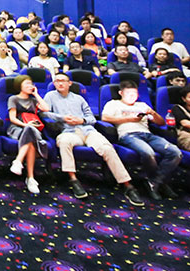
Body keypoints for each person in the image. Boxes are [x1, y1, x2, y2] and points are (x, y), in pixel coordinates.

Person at [43, 72, 144, 206]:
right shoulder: (50, 96)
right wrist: (62, 118)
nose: (60, 83)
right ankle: (73, 180)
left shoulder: (79, 98)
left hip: (87, 131)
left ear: (69, 83)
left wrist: (82, 120)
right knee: (64, 142)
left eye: (63, 81)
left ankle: (127, 185)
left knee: (107, 148)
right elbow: (44, 113)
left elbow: (91, 118)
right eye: (57, 81)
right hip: (68, 131)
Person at [100, 82, 180, 200]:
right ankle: (158, 184)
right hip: (128, 135)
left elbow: (161, 123)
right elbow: (105, 118)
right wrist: (130, 119)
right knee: (148, 152)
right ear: (121, 93)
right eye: (129, 93)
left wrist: (153, 113)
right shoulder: (113, 104)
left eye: (135, 94)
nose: (132, 96)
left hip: (148, 135)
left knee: (175, 153)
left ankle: (154, 182)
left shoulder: (142, 105)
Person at [6, 75, 50, 194]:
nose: (30, 86)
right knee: (30, 135)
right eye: (27, 84)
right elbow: (12, 118)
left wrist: (36, 94)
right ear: (19, 85)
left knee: (30, 137)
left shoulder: (33, 100)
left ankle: (18, 162)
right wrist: (26, 125)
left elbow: (46, 108)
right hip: (17, 128)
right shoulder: (13, 99)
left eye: (31, 84)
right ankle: (30, 177)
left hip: (32, 129)